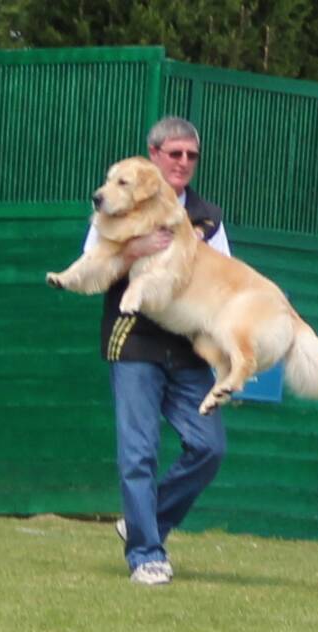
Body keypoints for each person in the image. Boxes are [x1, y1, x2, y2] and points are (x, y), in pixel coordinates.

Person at [84, 115, 231, 586]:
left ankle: (144, 522)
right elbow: (94, 264)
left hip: (188, 351)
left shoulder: (208, 217)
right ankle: (146, 554)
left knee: (210, 448)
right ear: (154, 156)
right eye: (175, 153)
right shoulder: (118, 201)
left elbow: (224, 282)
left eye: (191, 155)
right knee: (139, 452)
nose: (183, 162)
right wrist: (135, 249)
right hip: (134, 342)